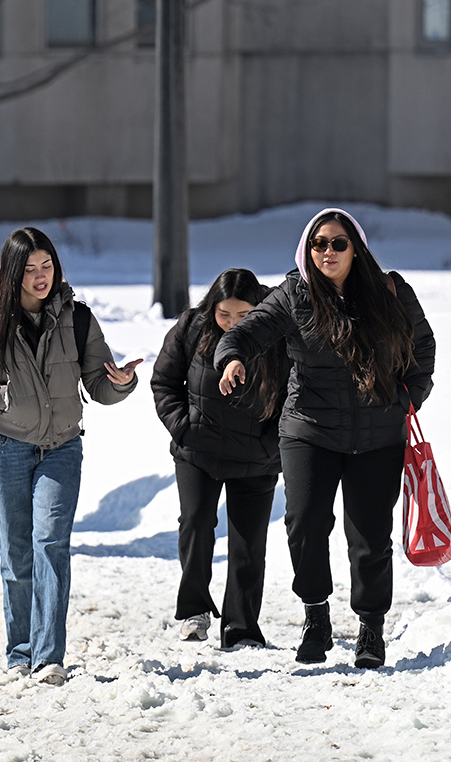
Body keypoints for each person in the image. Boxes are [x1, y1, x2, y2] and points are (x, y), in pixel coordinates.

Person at [215, 208, 436, 669]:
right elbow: (246, 332)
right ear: (307, 249)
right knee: (305, 522)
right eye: (319, 244)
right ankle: (315, 615)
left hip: (377, 433)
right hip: (308, 429)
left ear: (356, 246)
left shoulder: (390, 292)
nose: (328, 252)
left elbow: (423, 349)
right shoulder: (295, 293)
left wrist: (405, 398)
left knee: (370, 535)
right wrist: (232, 357)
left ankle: (371, 629)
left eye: (338, 243)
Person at [0, 228, 140, 685]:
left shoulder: (77, 318)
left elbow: (98, 384)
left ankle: (49, 655)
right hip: (5, 449)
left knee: (51, 544)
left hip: (61, 448)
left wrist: (121, 383)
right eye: (29, 269)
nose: (40, 277)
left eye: (46, 266)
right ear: (12, 274)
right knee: (16, 556)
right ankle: (21, 651)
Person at [150, 268, 287, 649]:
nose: (231, 324)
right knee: (195, 523)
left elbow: (297, 393)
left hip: (256, 458)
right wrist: (184, 428)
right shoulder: (192, 327)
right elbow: (164, 381)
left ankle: (241, 627)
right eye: (224, 314)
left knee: (248, 541)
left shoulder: (277, 335)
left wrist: (271, 446)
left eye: (243, 316)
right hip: (198, 450)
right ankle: (194, 610)